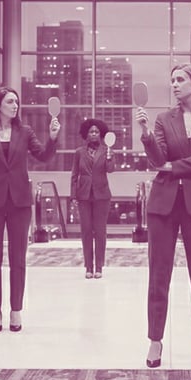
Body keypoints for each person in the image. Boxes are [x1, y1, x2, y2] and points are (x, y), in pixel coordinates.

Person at [135, 63, 191, 368]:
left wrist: (173, 167)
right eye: (171, 80)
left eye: (180, 79)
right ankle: (155, 341)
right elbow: (157, 159)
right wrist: (146, 135)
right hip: (163, 205)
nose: (174, 84)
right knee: (158, 275)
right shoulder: (162, 119)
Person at [0, 85, 59, 333]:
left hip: (20, 203)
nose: (15, 106)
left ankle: (16, 310)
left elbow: (42, 156)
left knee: (18, 259)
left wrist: (52, 138)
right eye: (10, 102)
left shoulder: (25, 132)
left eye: (17, 102)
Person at [71, 118, 115, 279]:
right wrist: (73, 195)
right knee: (86, 231)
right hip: (83, 196)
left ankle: (99, 267)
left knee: (100, 232)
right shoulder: (79, 152)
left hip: (102, 196)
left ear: (101, 134)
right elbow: (74, 175)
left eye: (97, 131)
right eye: (91, 132)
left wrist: (110, 157)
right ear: (86, 134)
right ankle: (88, 267)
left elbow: (110, 170)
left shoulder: (107, 151)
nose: (94, 134)